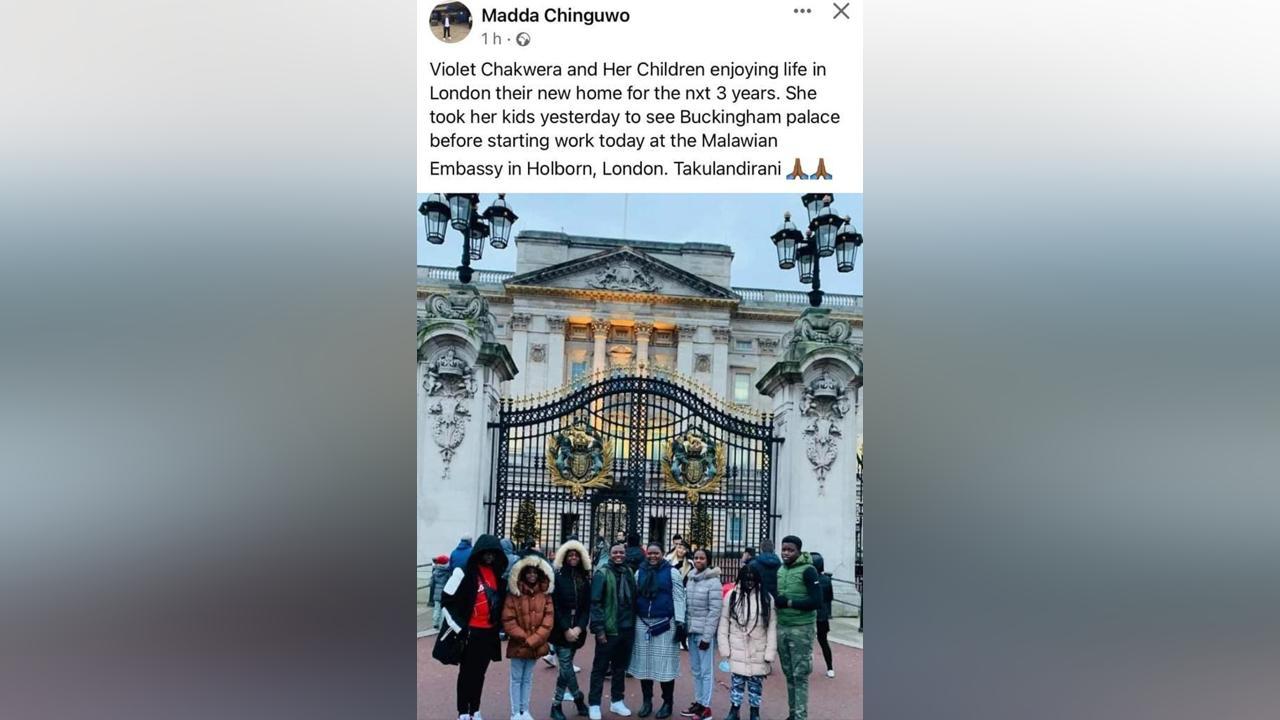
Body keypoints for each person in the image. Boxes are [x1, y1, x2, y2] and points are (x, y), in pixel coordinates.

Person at [442, 533, 509, 720]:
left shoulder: (497, 576)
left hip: (488, 633)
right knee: (466, 674)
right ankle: (463, 711)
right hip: (470, 632)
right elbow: (446, 600)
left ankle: (475, 710)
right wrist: (460, 627)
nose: (489, 556)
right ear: (479, 552)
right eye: (486, 552)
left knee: (480, 674)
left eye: (493, 553)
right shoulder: (463, 571)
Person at [628, 543, 687, 719]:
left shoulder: (672, 572)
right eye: (650, 553)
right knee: (644, 665)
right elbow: (635, 595)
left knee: (665, 666)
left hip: (665, 623)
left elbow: (679, 597)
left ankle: (667, 702)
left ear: (662, 554)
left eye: (656, 553)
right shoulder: (640, 572)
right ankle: (647, 701)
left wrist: (680, 623)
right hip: (642, 622)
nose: (653, 556)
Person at [716, 564, 777, 720]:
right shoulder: (731, 596)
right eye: (746, 579)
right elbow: (723, 623)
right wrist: (724, 648)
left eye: (752, 579)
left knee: (756, 685)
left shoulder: (766, 598)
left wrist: (769, 653)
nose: (749, 583)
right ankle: (734, 710)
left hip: (758, 648)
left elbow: (771, 627)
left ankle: (754, 712)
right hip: (737, 646)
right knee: (737, 683)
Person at [772, 536, 822, 720]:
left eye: (790, 550)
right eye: (783, 549)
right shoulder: (781, 570)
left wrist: (789, 603)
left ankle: (800, 716)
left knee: (800, 675)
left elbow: (817, 601)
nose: (786, 553)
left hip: (801, 628)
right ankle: (792, 714)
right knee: (788, 674)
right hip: (783, 626)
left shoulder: (808, 571)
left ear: (799, 551)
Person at [588, 543, 638, 720]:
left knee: (619, 668)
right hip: (609, 629)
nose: (619, 555)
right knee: (600, 668)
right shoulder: (602, 573)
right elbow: (595, 603)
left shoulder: (629, 572)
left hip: (626, 628)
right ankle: (594, 704)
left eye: (621, 552)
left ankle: (617, 700)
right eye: (615, 552)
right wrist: (599, 629)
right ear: (610, 554)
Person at [503, 553, 556, 720]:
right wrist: (526, 639)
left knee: (527, 678)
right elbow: (508, 620)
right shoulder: (514, 594)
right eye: (529, 572)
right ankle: (515, 712)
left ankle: (524, 710)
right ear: (523, 574)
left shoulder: (545, 595)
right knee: (516, 678)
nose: (532, 575)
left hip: (535, 644)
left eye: (535, 572)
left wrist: (535, 639)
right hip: (519, 643)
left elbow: (548, 620)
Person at [548, 539, 593, 720]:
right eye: (570, 555)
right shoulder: (557, 577)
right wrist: (567, 628)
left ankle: (559, 704)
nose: (573, 558)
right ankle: (575, 699)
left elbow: (586, 607)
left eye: (576, 555)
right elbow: (555, 606)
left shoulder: (584, 579)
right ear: (564, 557)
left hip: (577, 629)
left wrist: (580, 627)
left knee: (565, 669)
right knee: (566, 666)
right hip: (561, 629)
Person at [681, 548, 721, 719]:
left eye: (702, 558)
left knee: (706, 672)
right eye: (696, 557)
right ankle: (698, 702)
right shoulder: (691, 579)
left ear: (708, 560)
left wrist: (707, 636)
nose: (698, 560)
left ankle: (706, 707)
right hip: (691, 631)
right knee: (696, 671)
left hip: (704, 633)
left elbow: (714, 611)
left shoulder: (714, 582)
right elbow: (687, 606)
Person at [810, 552, 835, 678]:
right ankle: (830, 668)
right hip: (822, 614)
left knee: (807, 641)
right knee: (823, 641)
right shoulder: (826, 579)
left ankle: (806, 666)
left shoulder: (808, 579)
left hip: (809, 613)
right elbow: (830, 597)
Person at [431, 553, 452, 629]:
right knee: (444, 610)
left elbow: (431, 583)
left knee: (436, 609)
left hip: (436, 594)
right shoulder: (447, 572)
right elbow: (450, 582)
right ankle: (442, 624)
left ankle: (435, 623)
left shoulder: (435, 572)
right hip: (444, 593)